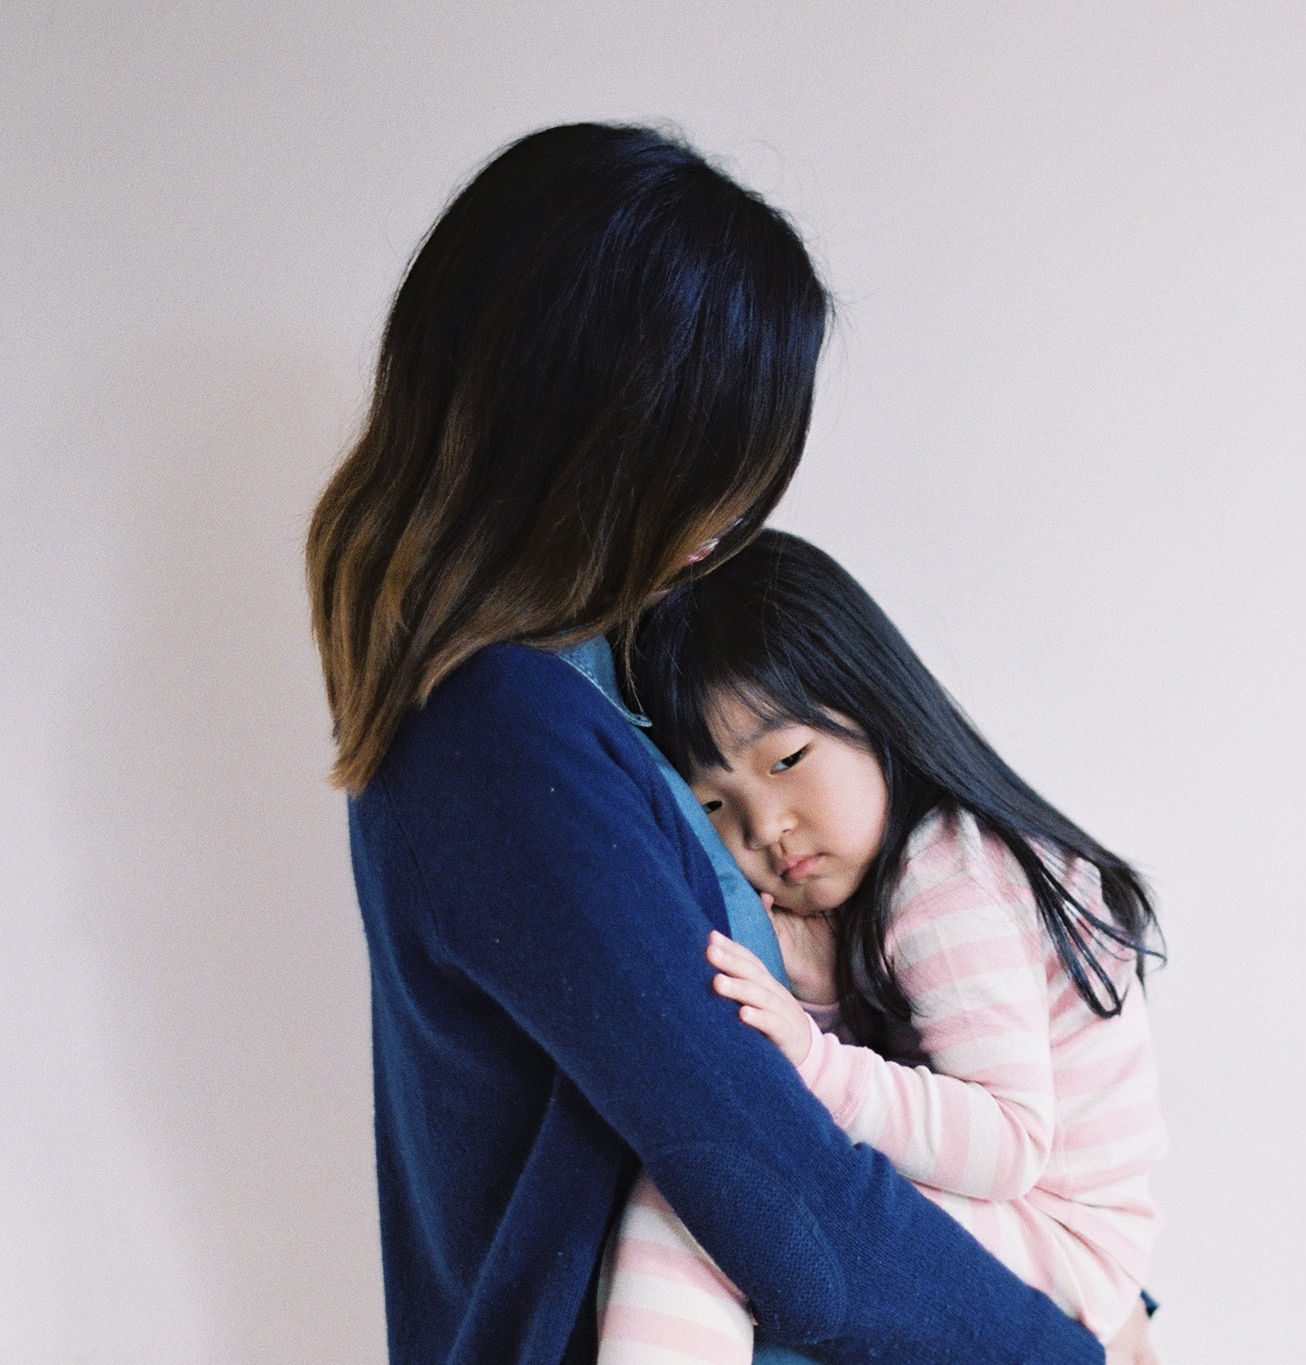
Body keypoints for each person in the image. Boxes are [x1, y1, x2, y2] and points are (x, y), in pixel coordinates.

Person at [305, 122, 1118, 1365]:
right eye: (711, 460)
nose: (730, 521)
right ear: (597, 435)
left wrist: (1096, 1299)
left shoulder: (575, 693)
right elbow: (760, 1176)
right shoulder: (504, 738)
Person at [596, 532, 1168, 1364]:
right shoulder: (906, 877)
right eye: (715, 805)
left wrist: (812, 1059)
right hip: (1069, 1243)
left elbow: (1007, 1140)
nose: (765, 825)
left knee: (711, 1188)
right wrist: (823, 995)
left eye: (787, 758)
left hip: (1060, 1243)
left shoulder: (947, 879)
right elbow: (920, 1073)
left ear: (872, 707)